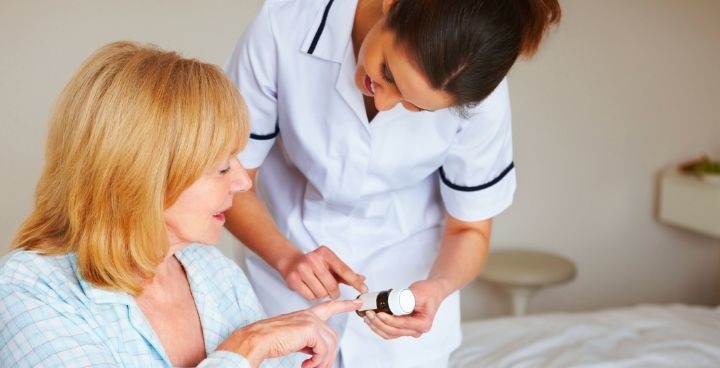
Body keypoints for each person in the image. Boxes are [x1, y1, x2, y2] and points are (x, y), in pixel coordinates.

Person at [223, 0, 561, 366]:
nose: (384, 103)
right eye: (388, 72)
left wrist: (439, 287)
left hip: (402, 294)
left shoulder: (479, 95)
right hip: (281, 280)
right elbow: (228, 181)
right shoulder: (284, 27)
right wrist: (285, 257)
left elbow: (470, 229)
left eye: (416, 107)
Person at [0, 41, 361, 368]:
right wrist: (248, 348)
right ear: (142, 175)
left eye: (236, 159)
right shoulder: (29, 289)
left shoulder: (213, 272)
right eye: (221, 167)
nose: (242, 181)